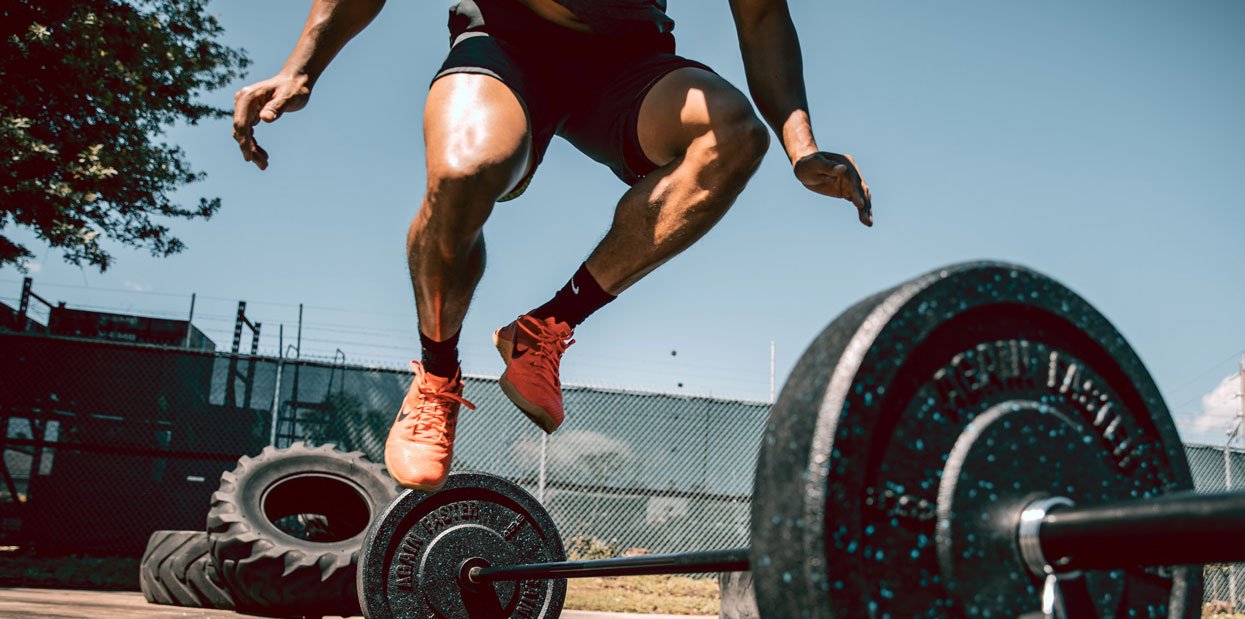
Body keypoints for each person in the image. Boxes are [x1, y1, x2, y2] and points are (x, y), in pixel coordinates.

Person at [233, 0, 871, 492]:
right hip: (507, 40)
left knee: (732, 134)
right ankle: (435, 372)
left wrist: (803, 148)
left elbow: (762, 16)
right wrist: (302, 66)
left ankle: (544, 329)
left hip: (626, 62)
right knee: (461, 174)